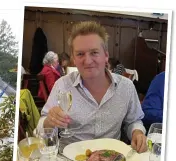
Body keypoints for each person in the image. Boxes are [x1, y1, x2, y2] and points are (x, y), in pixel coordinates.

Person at [38, 21, 147, 153]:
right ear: (73, 58)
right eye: (80, 54)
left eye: (94, 52)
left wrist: (137, 132)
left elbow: (134, 121)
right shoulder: (62, 85)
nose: (88, 61)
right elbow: (40, 127)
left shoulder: (126, 87)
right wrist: (49, 122)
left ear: (106, 55)